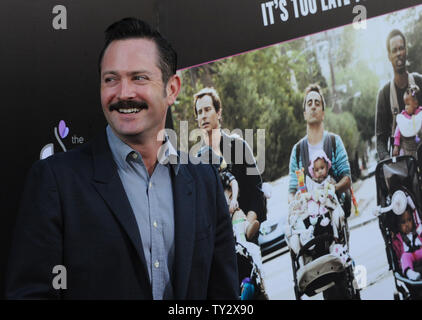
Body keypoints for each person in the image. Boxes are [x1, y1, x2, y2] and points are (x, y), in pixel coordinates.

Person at [6, 18, 238, 300]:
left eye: (139, 77)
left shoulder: (204, 179)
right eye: (111, 79)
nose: (123, 93)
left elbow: (223, 294)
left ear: (172, 88)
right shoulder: (55, 182)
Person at [288, 83, 354, 299]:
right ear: (304, 112)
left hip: (333, 213)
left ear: (323, 112)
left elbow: (347, 177)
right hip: (310, 219)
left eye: (318, 103)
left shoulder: (333, 142)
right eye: (309, 103)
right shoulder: (298, 151)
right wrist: (299, 204)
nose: (314, 106)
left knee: (340, 279)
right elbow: (292, 190)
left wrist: (329, 190)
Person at [194, 87, 267, 238]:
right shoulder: (196, 161)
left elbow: (257, 192)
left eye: (207, 109)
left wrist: (245, 231)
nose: (203, 116)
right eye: (199, 112)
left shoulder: (239, 146)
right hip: (219, 239)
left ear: (218, 112)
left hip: (246, 231)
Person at [375, 29, 422, 161]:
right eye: (394, 50)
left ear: (406, 51)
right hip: (402, 165)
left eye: (401, 48)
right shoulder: (384, 94)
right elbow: (380, 139)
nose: (398, 53)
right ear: (389, 56)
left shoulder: (419, 82)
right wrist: (387, 161)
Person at [219, 160, 260, 241]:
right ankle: (239, 233)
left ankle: (247, 228)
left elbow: (234, 183)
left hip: (232, 209)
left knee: (239, 215)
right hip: (222, 217)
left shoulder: (223, 176)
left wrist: (234, 199)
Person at [392, 206, 422, 281]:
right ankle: (410, 273)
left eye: (409, 220)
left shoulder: (417, 231)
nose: (407, 224)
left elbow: (415, 212)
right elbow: (397, 249)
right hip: (409, 255)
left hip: (419, 251)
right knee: (404, 257)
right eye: (403, 222)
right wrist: (392, 237)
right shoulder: (398, 238)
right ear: (398, 225)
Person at [392, 84, 422, 158]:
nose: (405, 107)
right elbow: (397, 132)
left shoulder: (420, 114)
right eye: (405, 104)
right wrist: (396, 146)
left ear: (415, 104)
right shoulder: (403, 118)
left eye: (408, 104)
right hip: (407, 151)